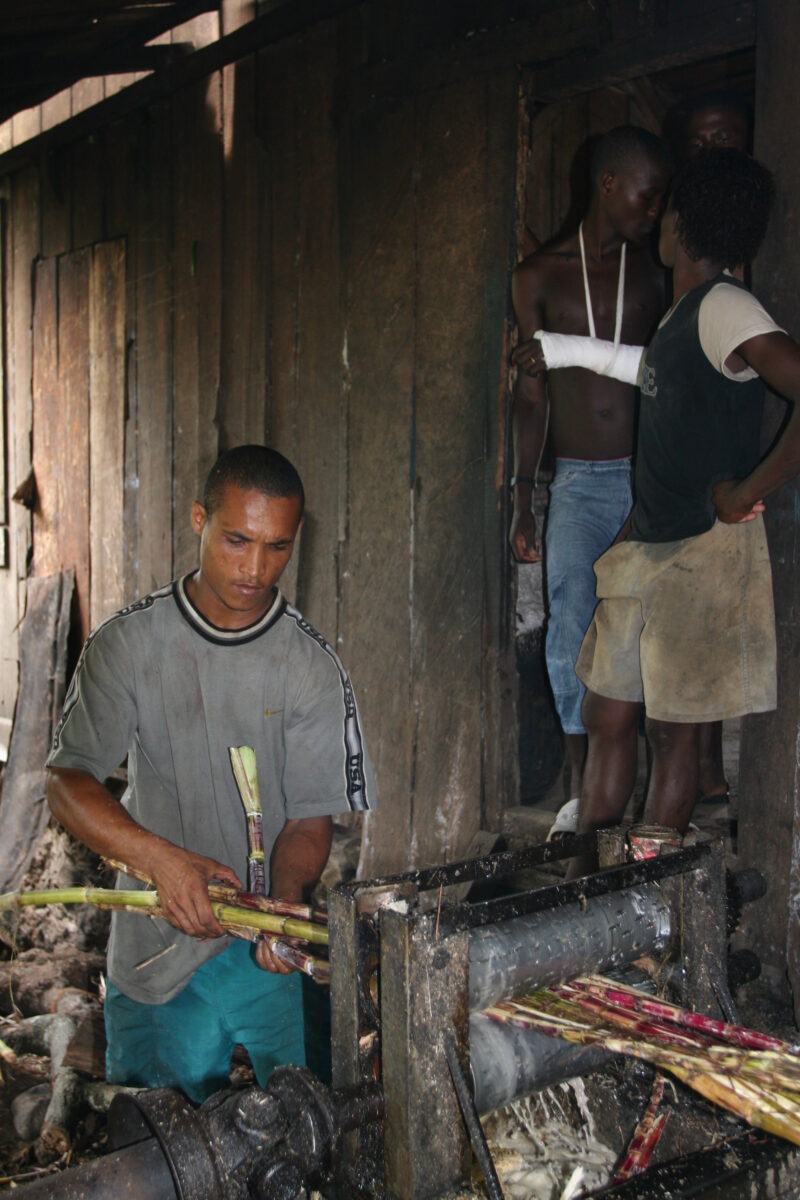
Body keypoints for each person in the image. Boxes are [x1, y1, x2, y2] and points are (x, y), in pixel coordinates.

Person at [46, 445, 376, 1102]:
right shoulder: (130, 644)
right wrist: (160, 863)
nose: (256, 568)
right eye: (236, 540)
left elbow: (312, 819)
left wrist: (282, 903)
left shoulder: (311, 667)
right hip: (156, 947)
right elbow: (67, 781)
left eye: (276, 546)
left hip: (263, 953)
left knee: (297, 1131)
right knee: (161, 1145)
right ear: (199, 518)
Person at [518, 149, 795, 874]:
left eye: (665, 212)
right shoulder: (685, 316)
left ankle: (639, 895)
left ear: (682, 225)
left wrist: (744, 490)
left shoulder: (728, 306)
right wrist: (558, 349)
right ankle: (588, 876)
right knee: (610, 715)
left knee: (673, 740)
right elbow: (641, 372)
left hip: (703, 554)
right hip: (647, 549)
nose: (657, 226)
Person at [509, 126, 672, 826]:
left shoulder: (660, 274)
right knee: (570, 624)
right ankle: (580, 786)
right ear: (609, 185)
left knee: (651, 629)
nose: (654, 210)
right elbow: (531, 397)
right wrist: (523, 498)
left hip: (647, 480)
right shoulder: (538, 276)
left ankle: (647, 783)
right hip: (575, 483)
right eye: (646, 195)